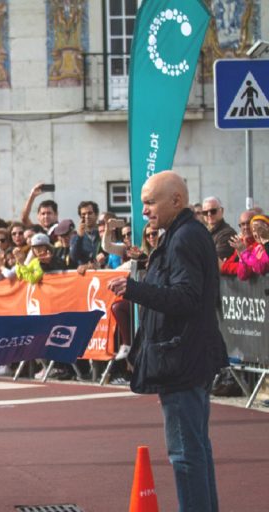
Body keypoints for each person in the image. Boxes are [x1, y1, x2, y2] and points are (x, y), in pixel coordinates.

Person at [108, 171, 228, 512]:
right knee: (195, 450)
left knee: (185, 454)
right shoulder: (183, 234)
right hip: (187, 355)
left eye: (149, 202)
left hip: (181, 358)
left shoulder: (184, 237)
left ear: (176, 200)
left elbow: (185, 297)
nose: (144, 211)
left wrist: (135, 289)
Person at [201, 196, 237, 262]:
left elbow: (216, 260)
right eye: (205, 212)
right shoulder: (202, 231)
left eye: (213, 211)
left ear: (222, 211)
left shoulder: (228, 233)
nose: (209, 214)